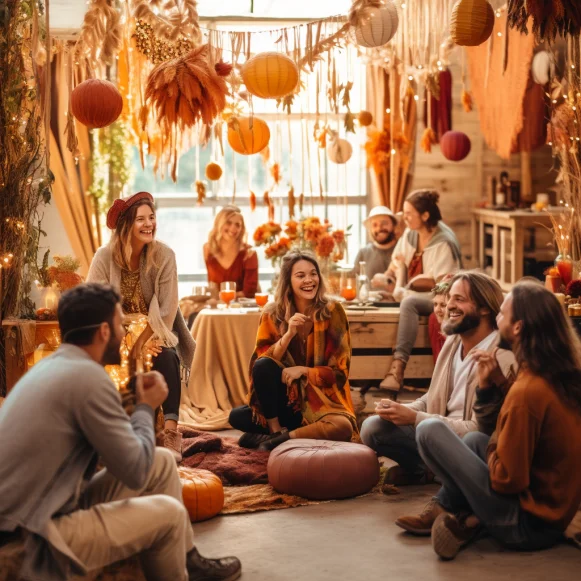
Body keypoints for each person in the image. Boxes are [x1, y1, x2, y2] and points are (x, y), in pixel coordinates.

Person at [0, 284, 241, 581]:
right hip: (29, 538)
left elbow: (117, 444)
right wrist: (144, 407)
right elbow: (135, 471)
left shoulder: (56, 366)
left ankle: (187, 560)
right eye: (120, 325)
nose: (123, 333)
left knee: (162, 461)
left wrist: (132, 398)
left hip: (46, 508)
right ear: (103, 331)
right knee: (169, 513)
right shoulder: (87, 377)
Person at [397, 281, 581, 560]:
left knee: (429, 430)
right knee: (472, 440)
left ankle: (465, 516)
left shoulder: (528, 390)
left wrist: (495, 442)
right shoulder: (552, 373)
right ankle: (465, 518)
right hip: (552, 513)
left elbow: (508, 480)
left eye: (502, 314)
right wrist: (492, 384)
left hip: (526, 525)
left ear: (518, 327)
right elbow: (530, 423)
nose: (496, 319)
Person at [361, 272, 516, 496]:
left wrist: (416, 419)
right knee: (373, 427)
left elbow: (480, 430)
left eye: (459, 300)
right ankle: (424, 471)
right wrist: (404, 410)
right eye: (449, 298)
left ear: (484, 308)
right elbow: (432, 396)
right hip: (433, 431)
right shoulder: (454, 341)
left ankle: (449, 478)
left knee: (428, 428)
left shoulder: (500, 356)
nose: (448, 306)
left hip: (472, 445)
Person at [87, 191, 195, 462]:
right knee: (103, 365)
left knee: (167, 356)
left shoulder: (164, 255)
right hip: (114, 330)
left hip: (155, 328)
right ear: (126, 225)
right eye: (141, 219)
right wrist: (121, 340)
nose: (149, 224)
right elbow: (94, 302)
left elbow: (168, 308)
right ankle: (107, 429)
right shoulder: (104, 257)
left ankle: (171, 432)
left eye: (152, 217)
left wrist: (144, 341)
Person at [229, 251, 356, 451]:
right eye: (300, 275)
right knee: (236, 416)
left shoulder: (333, 311)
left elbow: (340, 374)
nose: (309, 280)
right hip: (285, 402)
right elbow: (260, 366)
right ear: (288, 280)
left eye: (313, 274)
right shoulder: (272, 313)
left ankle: (281, 440)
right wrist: (288, 335)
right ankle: (276, 431)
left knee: (343, 427)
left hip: (320, 402)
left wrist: (304, 371)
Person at [375, 189, 462, 391]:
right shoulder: (411, 234)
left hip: (442, 297)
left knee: (409, 302)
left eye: (408, 214)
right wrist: (386, 278)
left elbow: (443, 287)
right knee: (381, 299)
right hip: (410, 290)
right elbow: (396, 265)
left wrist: (412, 287)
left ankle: (397, 369)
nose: (404, 219)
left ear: (425, 216)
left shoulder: (443, 242)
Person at [204, 205, 259, 298]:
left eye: (238, 225)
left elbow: (249, 292)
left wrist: (221, 296)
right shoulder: (208, 249)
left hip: (240, 307)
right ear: (219, 224)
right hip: (217, 305)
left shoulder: (249, 254)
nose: (233, 228)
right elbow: (212, 285)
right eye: (228, 223)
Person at [351, 205, 398, 279]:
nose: (379, 228)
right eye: (375, 225)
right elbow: (353, 281)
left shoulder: (403, 250)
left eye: (384, 223)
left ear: (394, 226)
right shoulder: (363, 253)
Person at [429, 278, 452, 363]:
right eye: (435, 304)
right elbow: (438, 360)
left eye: (443, 305)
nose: (437, 310)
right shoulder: (434, 319)